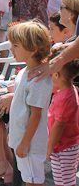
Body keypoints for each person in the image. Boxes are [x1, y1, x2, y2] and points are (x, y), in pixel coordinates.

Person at [0, 21, 52, 185]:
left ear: (33, 49)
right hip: (23, 139)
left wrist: (24, 143)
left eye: (16, 45)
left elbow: (35, 116)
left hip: (31, 144)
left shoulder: (38, 80)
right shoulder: (25, 72)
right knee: (27, 178)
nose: (11, 49)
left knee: (33, 181)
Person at [46, 48, 79, 186]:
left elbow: (59, 126)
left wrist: (50, 147)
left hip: (63, 148)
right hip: (65, 146)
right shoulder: (68, 91)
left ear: (57, 74)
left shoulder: (65, 98)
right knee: (64, 181)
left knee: (65, 182)